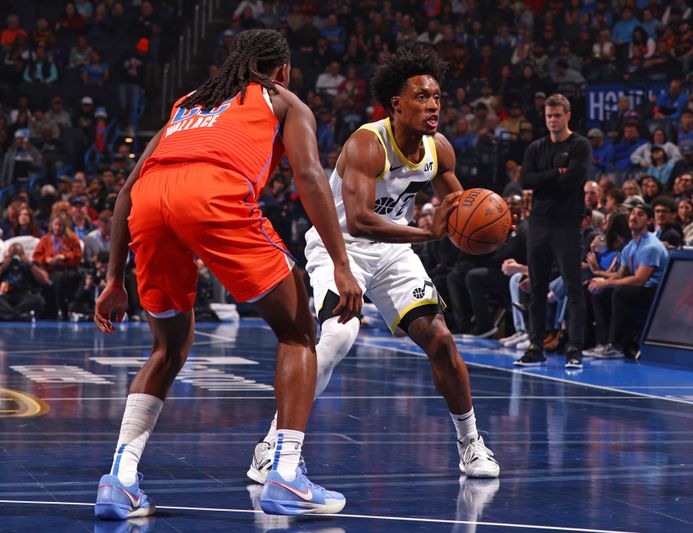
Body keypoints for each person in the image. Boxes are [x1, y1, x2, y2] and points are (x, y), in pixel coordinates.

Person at [92, 29, 362, 520]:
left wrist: (114, 278)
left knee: (167, 348)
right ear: (281, 69)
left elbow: (128, 190)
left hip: (151, 204)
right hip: (212, 194)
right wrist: (341, 265)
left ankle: (120, 481)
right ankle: (285, 473)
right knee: (299, 331)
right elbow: (309, 176)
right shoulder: (284, 99)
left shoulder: (187, 103)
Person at [247, 46, 500, 488]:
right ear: (396, 103)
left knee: (441, 340)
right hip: (339, 246)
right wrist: (429, 234)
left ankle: (471, 442)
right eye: (422, 97)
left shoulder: (438, 148)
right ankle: (272, 447)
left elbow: (458, 203)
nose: (434, 104)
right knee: (339, 335)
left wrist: (484, 218)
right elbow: (361, 219)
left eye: (437, 96)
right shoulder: (368, 142)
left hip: (392, 251)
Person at [515, 93, 591, 369]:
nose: (552, 120)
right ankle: (536, 345)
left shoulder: (580, 145)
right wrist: (555, 174)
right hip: (538, 224)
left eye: (557, 115)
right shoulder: (536, 148)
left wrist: (548, 178)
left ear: (568, 116)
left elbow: (573, 180)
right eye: (549, 116)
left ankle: (574, 348)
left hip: (567, 225)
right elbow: (526, 181)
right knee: (536, 287)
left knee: (573, 288)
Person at [587, 204, 669, 358]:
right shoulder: (630, 246)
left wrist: (607, 282)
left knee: (620, 292)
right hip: (638, 289)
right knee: (599, 291)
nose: (634, 216)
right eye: (632, 213)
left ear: (650, 221)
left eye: (640, 215)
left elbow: (639, 280)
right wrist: (599, 276)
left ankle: (616, 345)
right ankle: (603, 343)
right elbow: (619, 275)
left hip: (654, 292)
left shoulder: (651, 246)